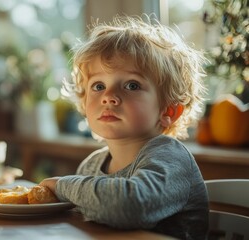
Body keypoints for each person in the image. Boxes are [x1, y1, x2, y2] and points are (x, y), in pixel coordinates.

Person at [39, 15, 209, 239]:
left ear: (167, 111)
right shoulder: (92, 166)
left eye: (131, 85)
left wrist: (63, 186)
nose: (109, 97)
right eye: (98, 86)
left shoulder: (171, 158)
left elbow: (130, 207)